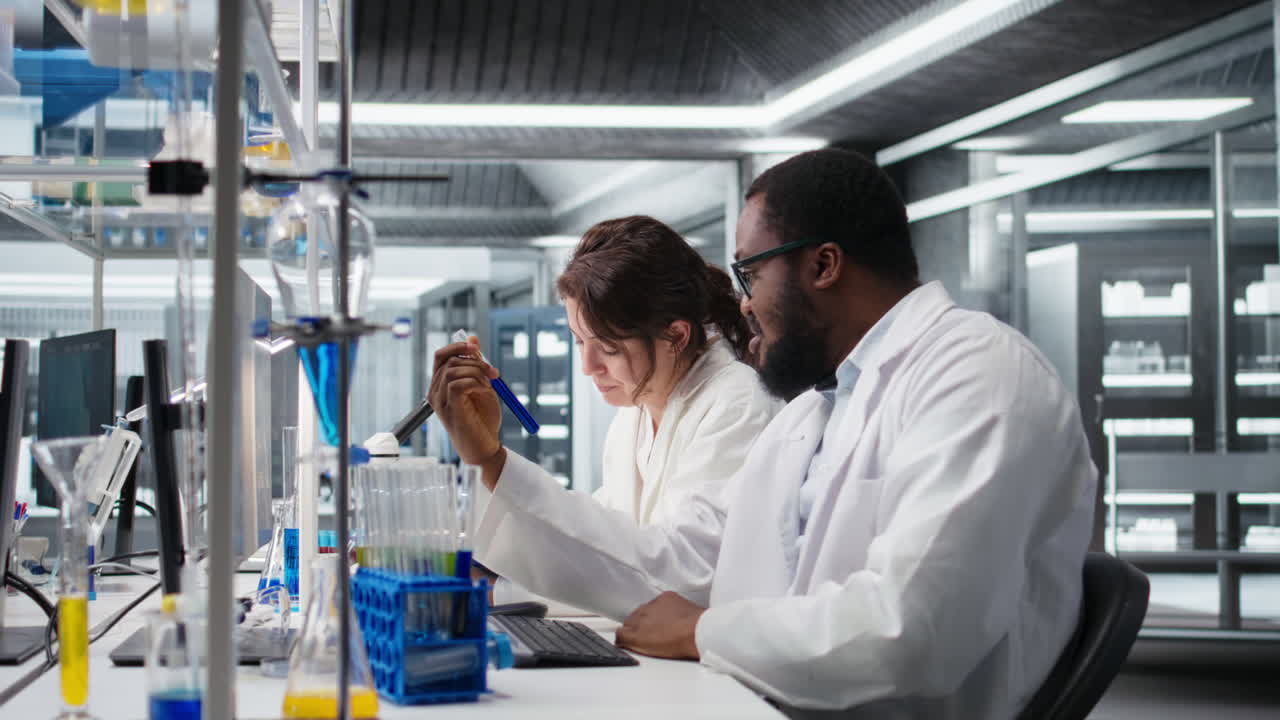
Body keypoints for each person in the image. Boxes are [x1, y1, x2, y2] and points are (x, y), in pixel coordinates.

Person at [431, 149, 1096, 718]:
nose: (741, 300)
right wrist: (492, 464)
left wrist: (706, 631)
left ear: (824, 265)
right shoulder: (818, 411)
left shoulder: (976, 372)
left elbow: (911, 630)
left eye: (751, 271)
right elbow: (678, 564)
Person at [455, 215, 781, 612]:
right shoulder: (634, 416)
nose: (588, 366)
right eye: (579, 341)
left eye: (607, 347)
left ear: (675, 336)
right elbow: (602, 565)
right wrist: (495, 590)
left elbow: (682, 575)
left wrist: (493, 461)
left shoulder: (738, 404)